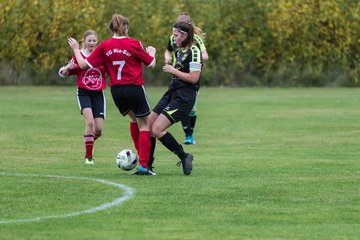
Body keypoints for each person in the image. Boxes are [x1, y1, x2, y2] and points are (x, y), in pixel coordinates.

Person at [67, 14, 157, 175]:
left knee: (133, 119)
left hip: (117, 91)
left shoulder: (104, 46)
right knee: (145, 125)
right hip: (134, 87)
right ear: (126, 27)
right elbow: (151, 64)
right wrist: (151, 51)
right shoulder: (133, 43)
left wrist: (75, 50)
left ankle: (140, 158)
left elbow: (82, 64)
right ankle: (144, 164)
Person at [148, 21, 202, 175]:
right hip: (172, 92)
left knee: (157, 130)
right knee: (149, 124)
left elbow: (193, 78)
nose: (173, 38)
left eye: (176, 35)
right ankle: (147, 166)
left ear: (184, 35)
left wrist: (173, 70)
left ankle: (184, 156)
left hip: (185, 97)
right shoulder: (179, 51)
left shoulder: (194, 51)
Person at [59, 30, 107, 165]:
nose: (92, 43)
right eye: (89, 40)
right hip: (84, 93)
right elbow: (62, 72)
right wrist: (68, 67)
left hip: (98, 95)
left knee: (98, 130)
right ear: (84, 41)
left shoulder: (101, 55)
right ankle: (88, 157)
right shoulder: (78, 55)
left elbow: (109, 70)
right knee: (90, 122)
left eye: (94, 40)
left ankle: (88, 139)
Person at [164, 12, 208, 145]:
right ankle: (188, 135)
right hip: (177, 79)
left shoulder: (196, 41)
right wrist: (167, 56)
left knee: (191, 109)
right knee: (180, 105)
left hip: (191, 78)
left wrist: (192, 57)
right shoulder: (173, 38)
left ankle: (190, 134)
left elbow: (205, 56)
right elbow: (168, 50)